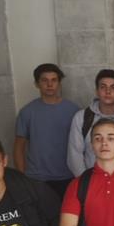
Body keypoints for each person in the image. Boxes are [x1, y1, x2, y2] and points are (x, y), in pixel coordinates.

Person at [14, 63, 79, 199]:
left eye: (54, 80)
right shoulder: (27, 112)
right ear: (37, 84)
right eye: (44, 80)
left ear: (59, 83)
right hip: (37, 178)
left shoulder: (74, 110)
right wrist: (22, 179)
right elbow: (19, 147)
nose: (50, 84)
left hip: (68, 176)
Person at [67, 69, 114, 177]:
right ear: (97, 91)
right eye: (103, 87)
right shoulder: (82, 117)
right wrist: (86, 182)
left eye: (113, 87)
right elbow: (74, 155)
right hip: (91, 181)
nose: (108, 91)